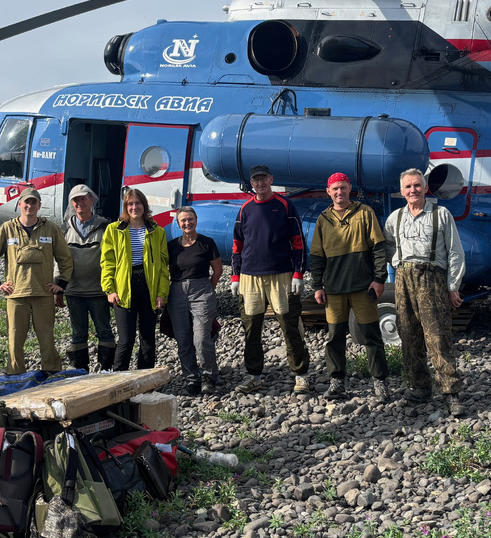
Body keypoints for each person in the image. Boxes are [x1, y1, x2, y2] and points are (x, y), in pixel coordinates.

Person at [384, 169, 467, 416]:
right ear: (402, 191)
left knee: (438, 336)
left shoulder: (441, 215)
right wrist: (396, 262)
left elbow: (455, 252)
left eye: (417, 185)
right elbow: (388, 244)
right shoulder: (394, 218)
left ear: (425, 188)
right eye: (408, 186)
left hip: (431, 277)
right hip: (403, 278)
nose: (413, 190)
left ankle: (451, 391)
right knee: (409, 335)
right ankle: (419, 387)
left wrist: (453, 286)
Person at [309, 173, 391, 402]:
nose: (339, 192)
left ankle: (380, 382)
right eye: (335, 189)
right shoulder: (323, 220)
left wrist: (379, 279)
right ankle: (337, 382)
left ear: (349, 189)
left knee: (371, 335)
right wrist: (317, 286)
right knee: (334, 337)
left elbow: (378, 247)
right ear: (328, 191)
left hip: (363, 287)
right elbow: (316, 256)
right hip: (334, 290)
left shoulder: (365, 212)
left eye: (343, 188)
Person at [230, 164, 311, 394]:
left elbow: (298, 242)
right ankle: (254, 375)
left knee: (290, 326)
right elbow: (237, 245)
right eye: (256, 180)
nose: (260, 183)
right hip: (249, 278)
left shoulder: (285, 205)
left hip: (281, 276)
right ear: (251, 183)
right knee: (251, 328)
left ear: (271, 179)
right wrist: (235, 276)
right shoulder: (245, 209)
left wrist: (298, 273)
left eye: (264, 179)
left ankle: (301, 375)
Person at [0, 187, 74, 375]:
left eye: (34, 202)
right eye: (26, 202)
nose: (30, 205)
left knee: (47, 339)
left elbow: (65, 258)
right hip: (16, 296)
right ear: (20, 204)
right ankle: (16, 378)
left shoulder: (50, 228)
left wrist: (62, 284)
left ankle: (52, 376)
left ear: (39, 205)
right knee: (15, 341)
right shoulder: (7, 229)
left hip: (44, 295)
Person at [100, 188, 170, 370]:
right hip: (124, 288)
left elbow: (163, 267)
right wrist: (110, 289)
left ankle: (145, 381)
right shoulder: (114, 230)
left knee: (148, 338)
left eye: (138, 203)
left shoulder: (157, 231)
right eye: (130, 204)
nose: (134, 207)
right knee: (126, 339)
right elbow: (107, 262)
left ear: (144, 206)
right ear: (125, 207)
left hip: (148, 287)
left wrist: (162, 293)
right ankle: (118, 381)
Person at [58, 184, 116, 371]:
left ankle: (106, 369)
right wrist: (59, 286)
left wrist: (112, 287)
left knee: (104, 331)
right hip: (74, 290)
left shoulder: (106, 226)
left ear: (92, 200)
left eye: (83, 198)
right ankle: (80, 371)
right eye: (75, 200)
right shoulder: (65, 227)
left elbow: (113, 257)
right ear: (71, 204)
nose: (79, 203)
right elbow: (58, 258)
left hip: (99, 290)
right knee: (78, 334)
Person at [167, 206, 223, 394]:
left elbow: (217, 271)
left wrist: (209, 290)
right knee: (183, 339)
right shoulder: (172, 246)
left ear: (196, 220)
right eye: (183, 220)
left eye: (190, 219)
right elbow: (169, 271)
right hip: (177, 291)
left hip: (201, 290)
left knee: (201, 338)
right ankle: (192, 378)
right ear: (178, 223)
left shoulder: (207, 243)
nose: (187, 223)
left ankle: (209, 375)